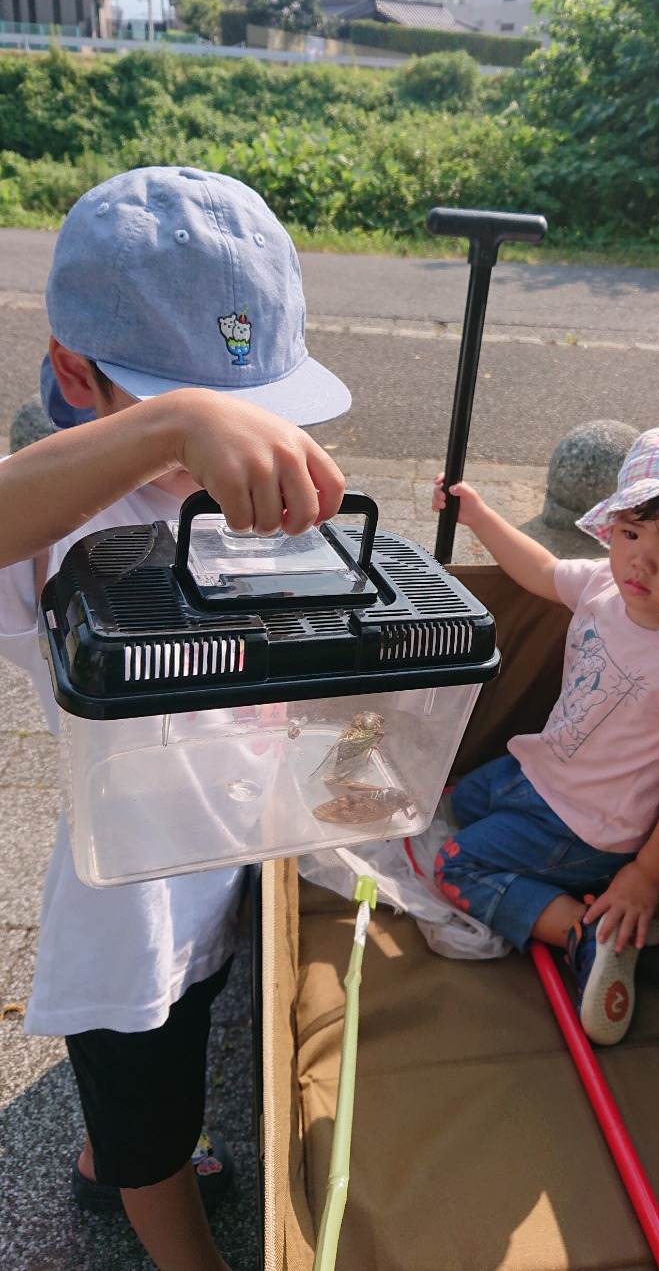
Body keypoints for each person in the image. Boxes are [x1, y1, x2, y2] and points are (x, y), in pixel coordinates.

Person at [0, 166, 351, 1271]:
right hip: (130, 912)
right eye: (188, 410)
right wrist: (173, 426)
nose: (233, 446)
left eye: (258, 413)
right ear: (74, 375)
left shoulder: (250, 500)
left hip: (229, 858)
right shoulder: (71, 521)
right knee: (150, 1098)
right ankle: (164, 1222)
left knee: (188, 1039)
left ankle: (115, 1156)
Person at [431, 420, 659, 1046]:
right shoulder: (608, 585)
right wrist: (479, 517)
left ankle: (589, 929)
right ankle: (616, 905)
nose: (640, 559)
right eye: (629, 533)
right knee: (464, 801)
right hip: (541, 773)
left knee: (454, 866)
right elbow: (542, 572)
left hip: (589, 827)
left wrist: (645, 876)